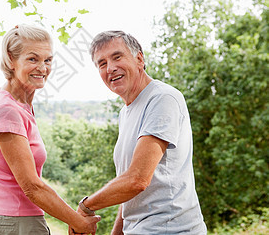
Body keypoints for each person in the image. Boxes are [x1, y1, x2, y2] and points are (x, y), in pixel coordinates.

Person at [0, 24, 100, 235]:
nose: (43, 68)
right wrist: (78, 221)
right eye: (33, 59)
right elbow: (32, 187)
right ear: (11, 59)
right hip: (12, 224)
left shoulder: (11, 102)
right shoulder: (8, 109)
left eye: (48, 60)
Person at [71, 30, 207, 234]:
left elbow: (136, 180)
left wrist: (85, 208)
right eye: (102, 63)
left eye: (117, 57)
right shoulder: (125, 113)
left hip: (170, 229)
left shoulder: (163, 99)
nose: (111, 68)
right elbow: (128, 189)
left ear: (139, 59)